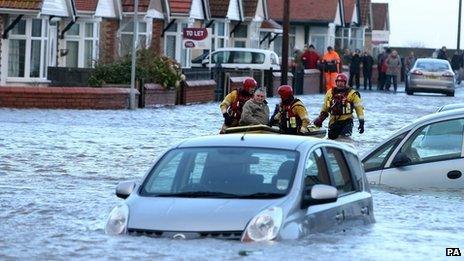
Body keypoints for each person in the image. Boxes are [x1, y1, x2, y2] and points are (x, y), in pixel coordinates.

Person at [313, 73, 365, 140]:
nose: (340, 84)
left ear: (345, 83)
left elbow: (359, 109)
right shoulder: (330, 93)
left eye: (342, 82)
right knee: (331, 139)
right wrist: (320, 119)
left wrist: (361, 122)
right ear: (336, 82)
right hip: (333, 121)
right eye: (338, 82)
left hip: (347, 121)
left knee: (345, 139)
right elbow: (325, 107)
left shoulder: (352, 94)